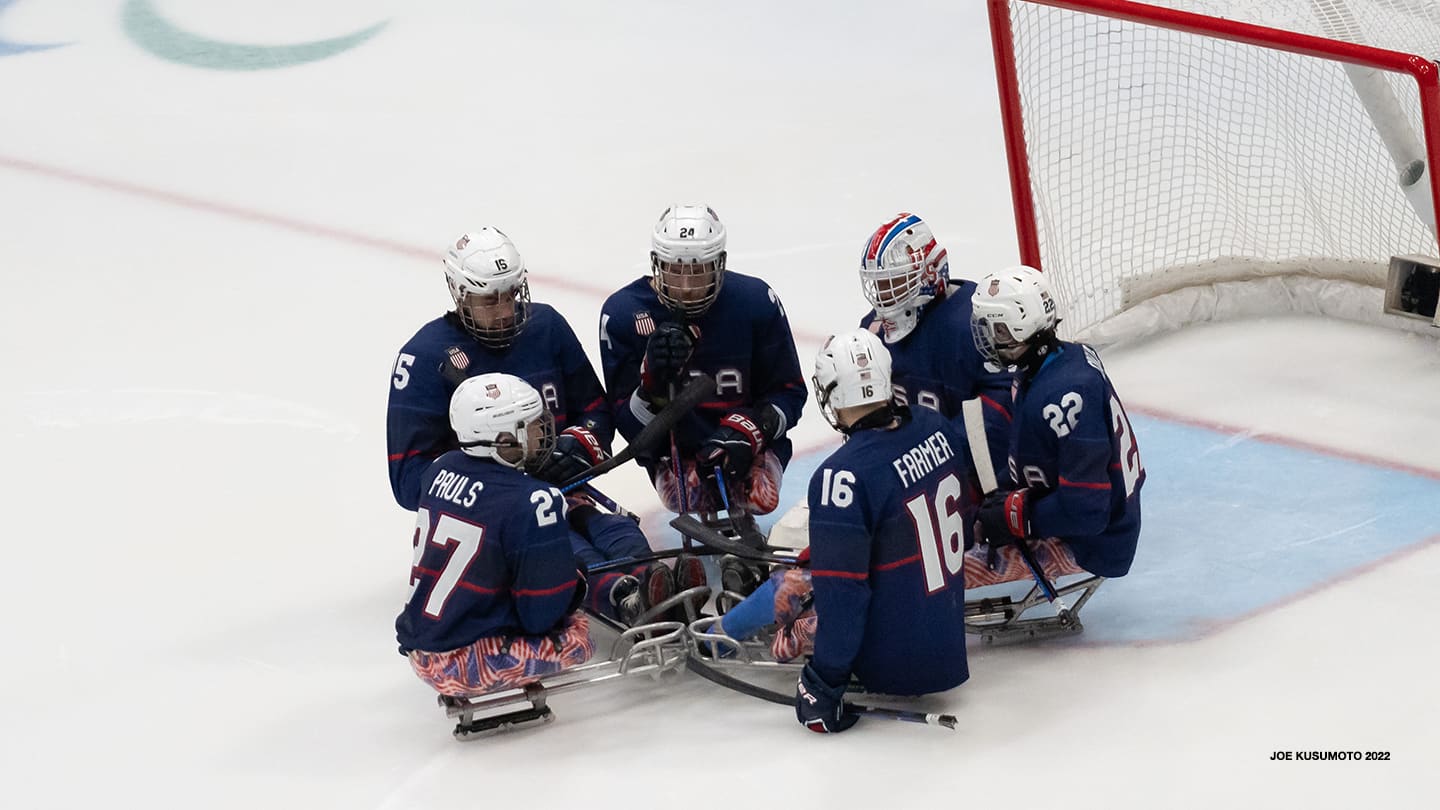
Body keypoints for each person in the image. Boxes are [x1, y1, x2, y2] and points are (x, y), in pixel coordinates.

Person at [699, 330, 971, 733]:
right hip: (948, 638)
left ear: (834, 394)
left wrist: (823, 683)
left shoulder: (842, 476)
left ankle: (714, 638)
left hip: (894, 664)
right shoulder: (934, 424)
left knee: (788, 585)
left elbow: (844, 599)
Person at [397, 375, 693, 700]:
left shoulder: (439, 468)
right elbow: (540, 616)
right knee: (579, 637)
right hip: (471, 666)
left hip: (423, 653)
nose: (543, 431)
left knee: (601, 530)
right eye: (532, 426)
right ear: (504, 439)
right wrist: (571, 579)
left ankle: (640, 587)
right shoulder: (534, 500)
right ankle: (628, 597)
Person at [598, 205, 807, 587]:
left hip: (749, 445)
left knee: (761, 496)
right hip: (679, 453)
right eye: (675, 270)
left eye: (698, 270)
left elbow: (790, 393)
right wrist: (651, 384)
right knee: (686, 495)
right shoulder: (624, 314)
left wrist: (750, 430)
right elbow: (630, 431)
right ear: (657, 264)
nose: (686, 285)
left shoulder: (755, 302)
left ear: (720, 263)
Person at [387, 227, 613, 512]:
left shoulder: (548, 327)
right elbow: (408, 481)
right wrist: (499, 483)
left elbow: (597, 412)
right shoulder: (423, 358)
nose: (506, 311)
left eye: (511, 294)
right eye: (490, 300)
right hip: (485, 518)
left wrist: (578, 444)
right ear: (461, 294)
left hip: (561, 498)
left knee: (624, 537)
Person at [966, 265, 1144, 587]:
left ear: (1021, 329)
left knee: (944, 567)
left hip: (1094, 544)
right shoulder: (1062, 360)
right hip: (1081, 517)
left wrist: (1015, 517)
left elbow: (1088, 512)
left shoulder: (1067, 396)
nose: (990, 339)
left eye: (999, 330)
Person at [856, 212, 1014, 472]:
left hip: (978, 478)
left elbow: (998, 417)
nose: (884, 297)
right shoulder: (872, 333)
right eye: (880, 285)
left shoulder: (976, 325)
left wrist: (925, 461)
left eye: (894, 283)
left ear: (930, 273)